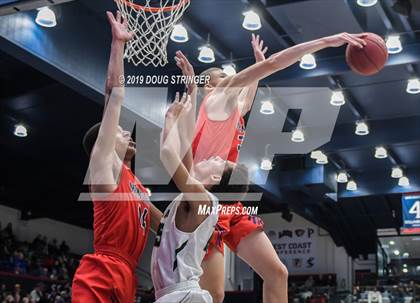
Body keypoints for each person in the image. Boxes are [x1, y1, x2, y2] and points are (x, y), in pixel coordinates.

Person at [184, 32, 368, 303]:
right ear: (209, 88)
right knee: (214, 294)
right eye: (223, 78)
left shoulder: (232, 109)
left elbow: (247, 99)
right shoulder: (215, 102)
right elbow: (274, 63)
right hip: (206, 205)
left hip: (230, 204)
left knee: (277, 273)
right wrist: (326, 41)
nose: (231, 81)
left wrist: (257, 69)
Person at [71, 11, 161, 303]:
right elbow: (114, 95)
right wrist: (118, 45)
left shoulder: (135, 184)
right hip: (103, 269)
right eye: (120, 131)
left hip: (127, 273)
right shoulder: (104, 165)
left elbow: (160, 222)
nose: (127, 133)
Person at [151, 90, 249, 303]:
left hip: (182, 294)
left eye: (219, 161)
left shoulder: (203, 199)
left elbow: (167, 154)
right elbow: (186, 146)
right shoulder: (194, 196)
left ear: (215, 176)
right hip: (178, 293)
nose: (215, 156)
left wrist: (170, 119)